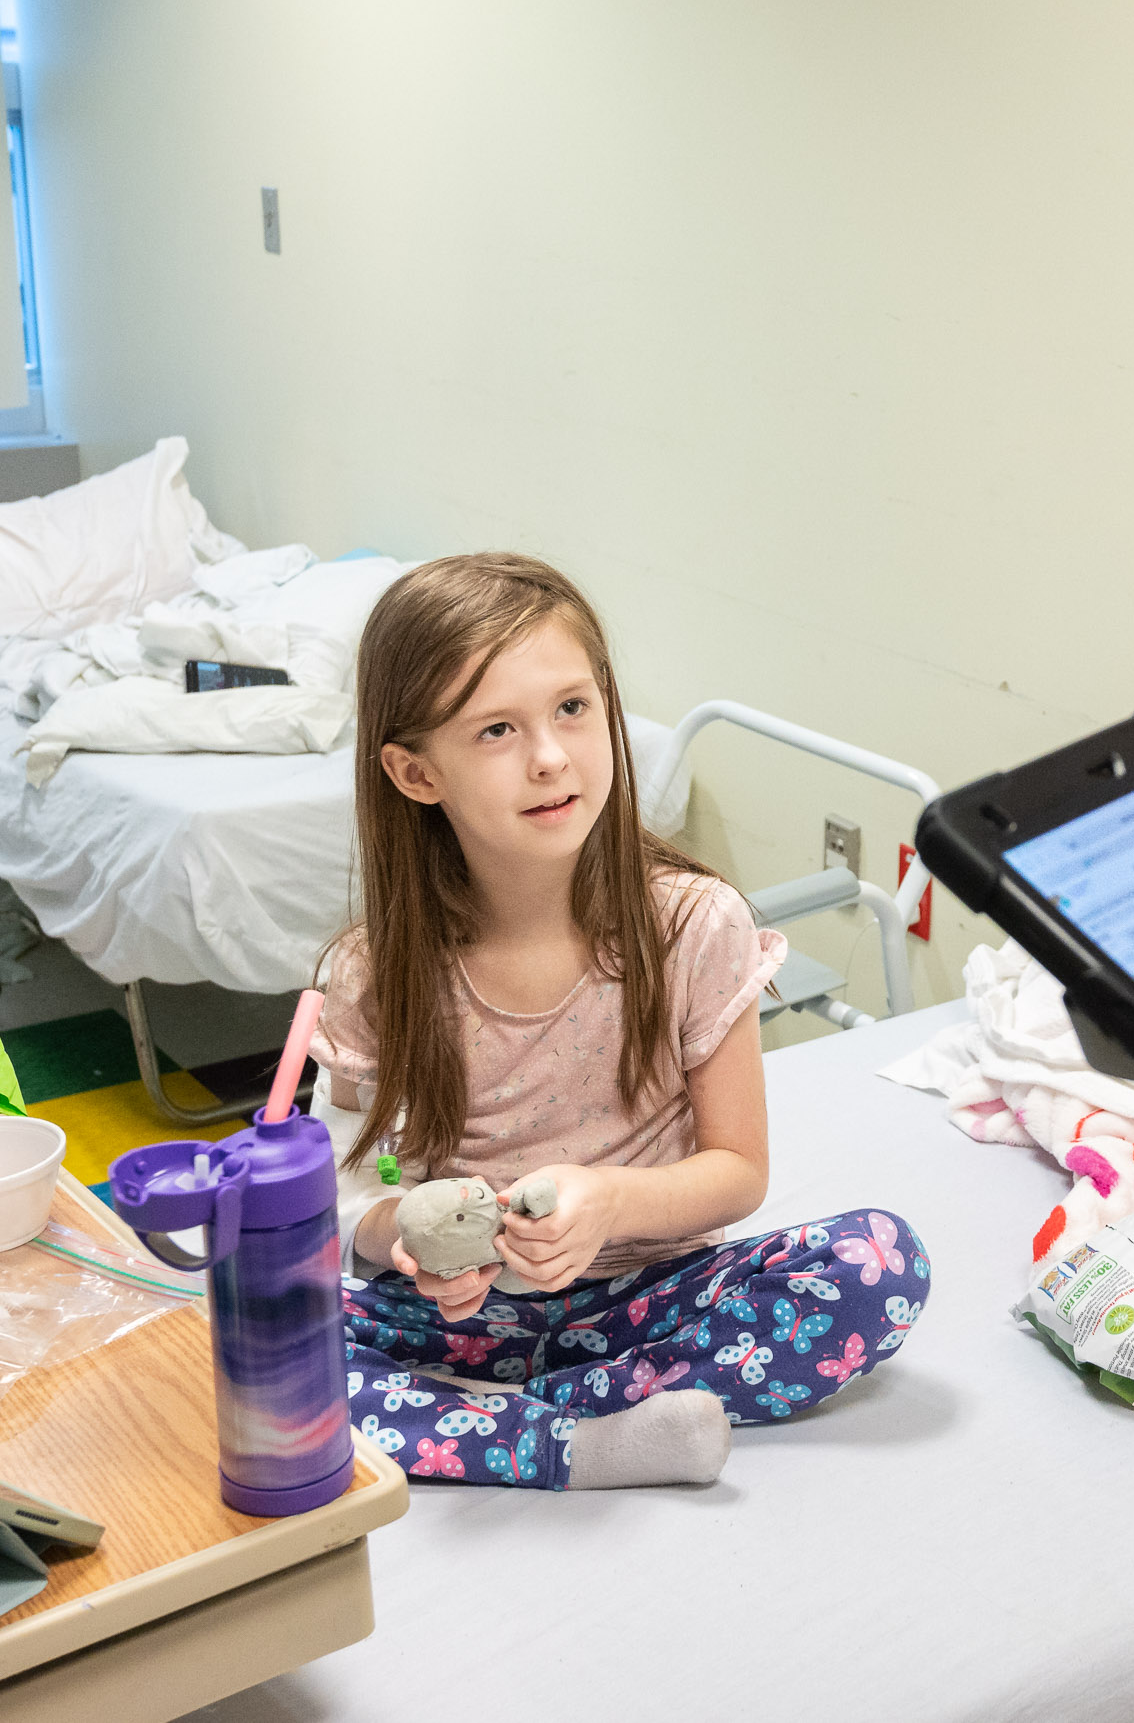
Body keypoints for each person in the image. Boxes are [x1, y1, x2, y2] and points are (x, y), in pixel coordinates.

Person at [311, 553, 929, 1490]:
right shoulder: (372, 971)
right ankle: (591, 1439)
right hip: (456, 1315)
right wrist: (405, 1234)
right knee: (234, 1342)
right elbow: (352, 1179)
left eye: (572, 708)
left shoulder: (691, 924)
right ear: (413, 772)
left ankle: (511, 1423)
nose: (551, 756)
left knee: (877, 1262)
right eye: (495, 730)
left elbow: (737, 1172)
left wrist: (608, 1205)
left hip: (651, 1294)